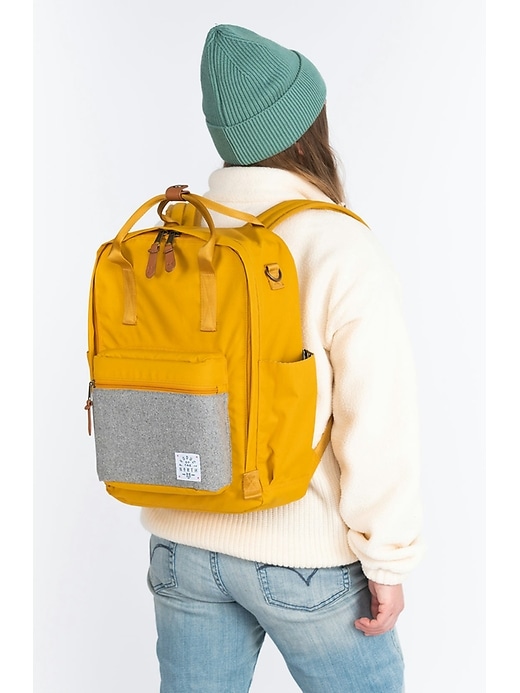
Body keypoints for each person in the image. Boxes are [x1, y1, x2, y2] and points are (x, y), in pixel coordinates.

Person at [142, 24, 424, 693]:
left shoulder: (175, 237)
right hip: (304, 557)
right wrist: (387, 559)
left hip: (183, 546)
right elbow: (376, 417)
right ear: (306, 130)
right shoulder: (338, 244)